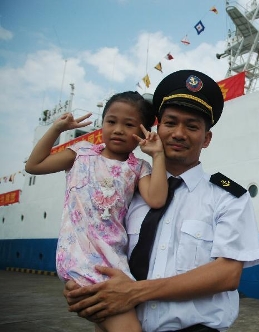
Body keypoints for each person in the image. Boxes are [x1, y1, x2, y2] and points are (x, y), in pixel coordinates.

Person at [64, 70, 259, 332]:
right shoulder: (127, 190)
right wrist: (85, 288)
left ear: (206, 139)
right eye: (170, 123)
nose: (179, 133)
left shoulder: (227, 197)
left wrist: (135, 292)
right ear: (157, 129)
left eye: (192, 126)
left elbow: (228, 274)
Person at [25, 91, 168, 332]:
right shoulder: (80, 154)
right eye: (111, 121)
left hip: (114, 259)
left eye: (129, 124)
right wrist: (57, 129)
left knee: (106, 325)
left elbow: (156, 198)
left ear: (143, 130)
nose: (118, 129)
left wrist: (158, 154)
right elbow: (34, 165)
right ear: (102, 123)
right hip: (81, 258)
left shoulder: (137, 167)